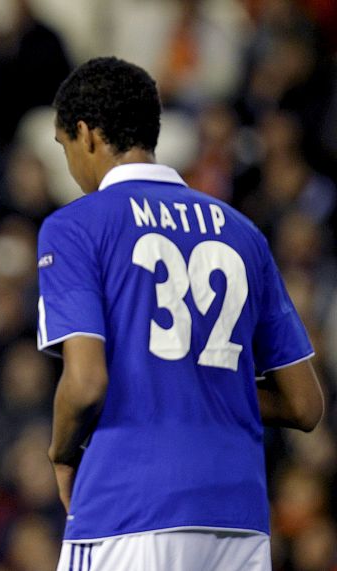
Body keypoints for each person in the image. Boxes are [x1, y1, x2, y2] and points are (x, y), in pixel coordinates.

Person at [37, 57, 324, 571]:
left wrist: (60, 451)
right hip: (238, 514)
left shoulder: (75, 226)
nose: (70, 165)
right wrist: (197, 383)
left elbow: (85, 382)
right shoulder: (243, 232)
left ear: (87, 135)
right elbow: (304, 404)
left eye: (64, 148)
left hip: (128, 506)